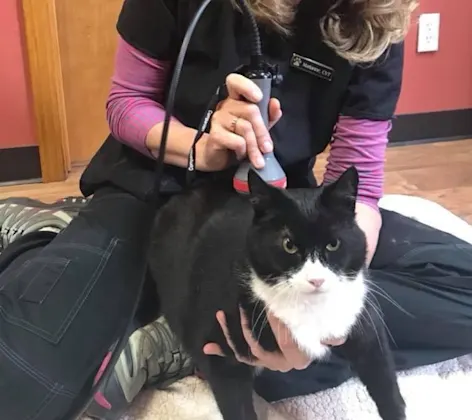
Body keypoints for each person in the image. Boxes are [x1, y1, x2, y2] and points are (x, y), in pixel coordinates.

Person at [1, 0, 472, 419]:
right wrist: (202, 147)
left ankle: (181, 342)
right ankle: (49, 234)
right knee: (25, 382)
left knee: (452, 294)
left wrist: (326, 309)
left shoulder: (375, 14)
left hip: (276, 212)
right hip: (155, 193)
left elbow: (360, 182)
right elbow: (126, 103)